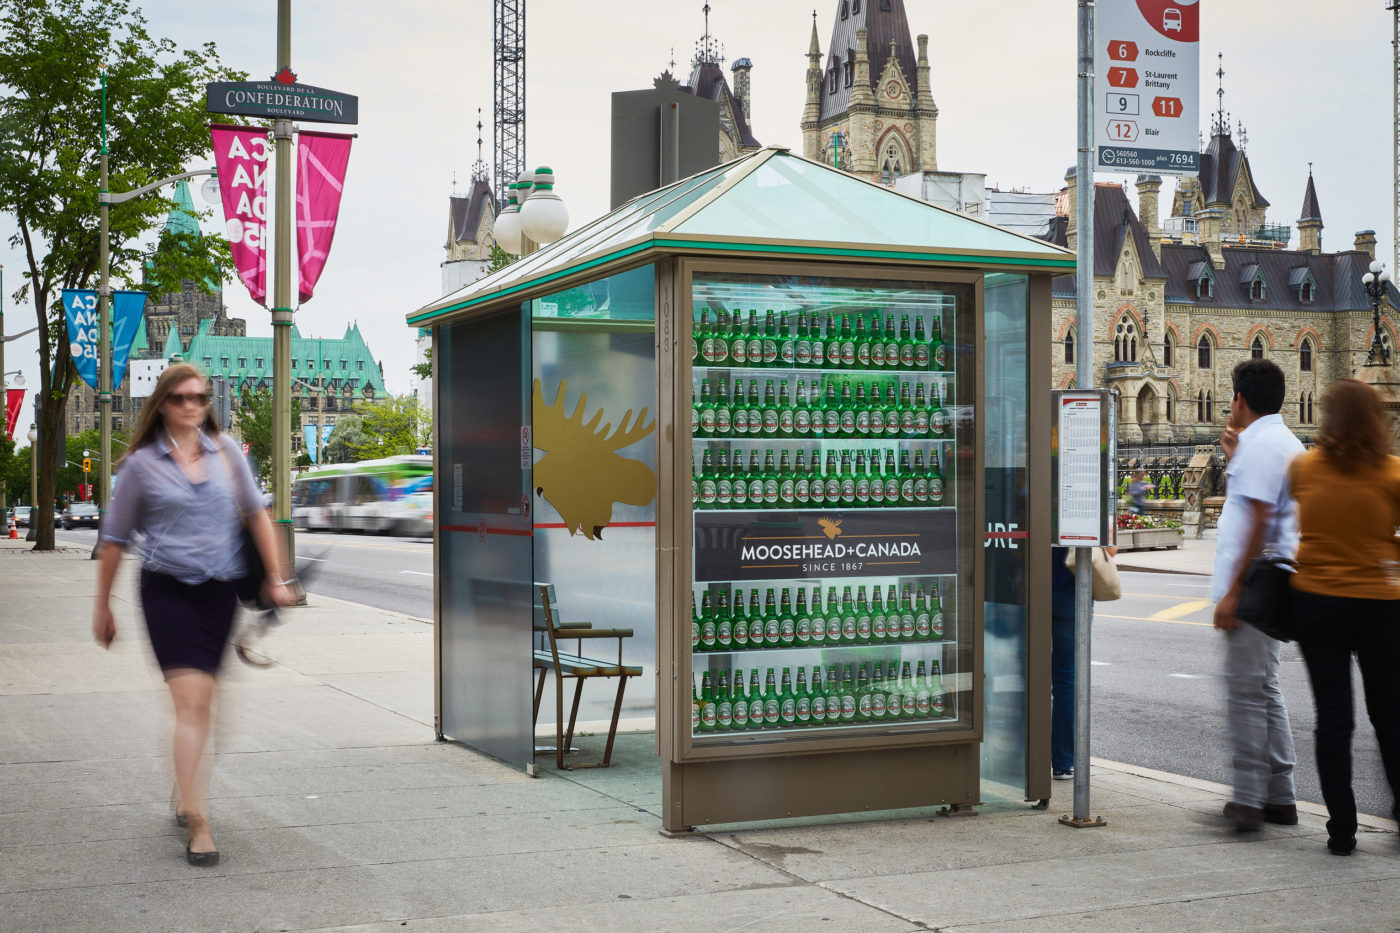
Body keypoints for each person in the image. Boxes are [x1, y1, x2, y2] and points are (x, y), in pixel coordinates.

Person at [92, 363, 294, 866]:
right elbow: (114, 539)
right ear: (161, 403)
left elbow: (256, 515)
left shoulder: (227, 453)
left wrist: (277, 576)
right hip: (166, 592)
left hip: (219, 591)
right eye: (181, 398)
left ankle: (187, 788)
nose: (192, 406)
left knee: (209, 706)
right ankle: (199, 819)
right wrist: (102, 606)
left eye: (200, 398)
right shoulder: (139, 465)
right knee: (192, 700)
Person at [1288, 379, 1400, 855]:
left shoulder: (1305, 467)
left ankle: (1342, 830)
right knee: (1391, 717)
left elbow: (1301, 520)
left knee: (1334, 720)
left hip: (1317, 604)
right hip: (1379, 603)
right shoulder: (1393, 473)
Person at [1211, 358, 1303, 832]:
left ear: (1240, 400)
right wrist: (1234, 458)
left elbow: (1259, 522)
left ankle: (1249, 800)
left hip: (1254, 586)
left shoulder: (1262, 446)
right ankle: (1280, 794)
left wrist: (1232, 593)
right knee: (1263, 688)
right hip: (1271, 581)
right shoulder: (1279, 441)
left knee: (1246, 693)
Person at [1050, 545, 1116, 782]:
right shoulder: (1089, 507)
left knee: (1027, 675)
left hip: (1030, 590)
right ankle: (1063, 762)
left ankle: (1024, 758)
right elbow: (1110, 549)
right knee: (1067, 679)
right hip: (1072, 593)